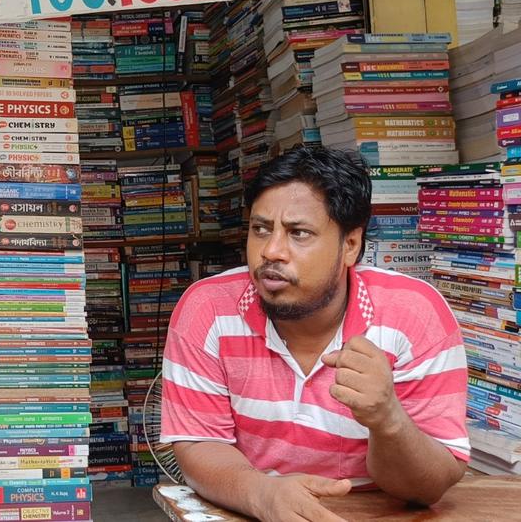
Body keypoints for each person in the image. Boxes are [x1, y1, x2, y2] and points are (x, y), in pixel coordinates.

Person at [161, 146, 468, 522]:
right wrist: (263, 495)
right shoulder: (207, 309)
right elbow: (199, 443)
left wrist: (387, 420)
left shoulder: (414, 314)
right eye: (261, 229)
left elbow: (429, 488)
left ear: (350, 245)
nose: (271, 251)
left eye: (299, 233)